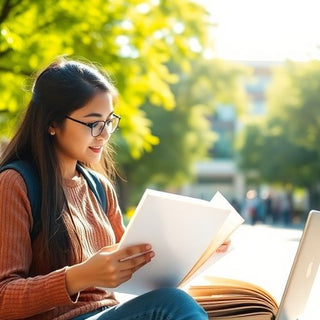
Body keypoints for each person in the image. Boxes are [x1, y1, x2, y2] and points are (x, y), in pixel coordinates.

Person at [0, 57, 223, 319]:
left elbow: (136, 271)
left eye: (109, 121)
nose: (105, 134)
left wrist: (200, 250)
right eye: (94, 123)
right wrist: (79, 276)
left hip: (109, 312)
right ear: (52, 123)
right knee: (173, 305)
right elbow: (4, 297)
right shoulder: (15, 184)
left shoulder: (100, 188)